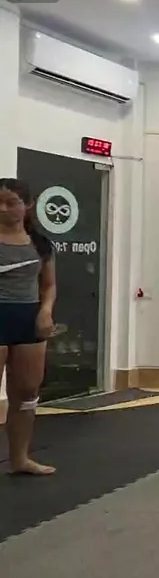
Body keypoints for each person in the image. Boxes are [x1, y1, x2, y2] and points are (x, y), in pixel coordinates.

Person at [0, 178, 57, 476]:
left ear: (28, 205)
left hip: (28, 318)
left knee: (26, 392)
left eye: (11, 203)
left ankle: (20, 459)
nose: (3, 209)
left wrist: (45, 312)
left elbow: (48, 285)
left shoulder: (40, 244)